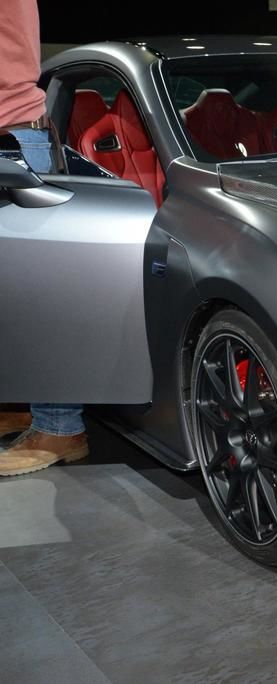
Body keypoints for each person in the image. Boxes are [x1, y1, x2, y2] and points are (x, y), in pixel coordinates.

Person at [0, 0, 89, 476]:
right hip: (16, 136)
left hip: (9, 139)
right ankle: (28, 408)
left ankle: (59, 425)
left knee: (39, 295)